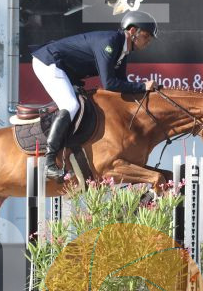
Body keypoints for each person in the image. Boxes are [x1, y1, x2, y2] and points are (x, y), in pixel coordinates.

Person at [28, 9, 160, 174]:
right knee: (70, 105)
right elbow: (109, 84)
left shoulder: (123, 50)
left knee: (83, 105)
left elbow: (122, 85)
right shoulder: (110, 43)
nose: (148, 42)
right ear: (133, 31)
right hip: (49, 62)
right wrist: (142, 86)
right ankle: (49, 163)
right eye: (146, 36)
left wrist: (148, 94)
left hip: (65, 69)